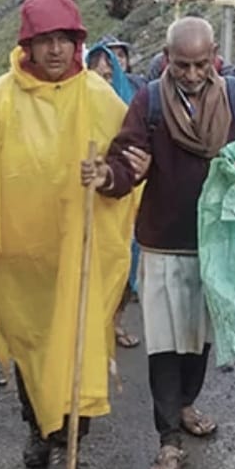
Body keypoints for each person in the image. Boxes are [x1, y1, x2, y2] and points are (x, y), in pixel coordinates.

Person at [0, 0, 137, 469]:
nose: (57, 51)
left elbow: (131, 159)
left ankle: (69, 443)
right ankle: (38, 429)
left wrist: (107, 173)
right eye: (46, 41)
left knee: (76, 346)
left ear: (78, 43)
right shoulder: (1, 97)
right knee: (30, 348)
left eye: (65, 40)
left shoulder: (97, 96)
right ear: (28, 45)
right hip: (19, 257)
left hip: (78, 253)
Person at [82, 17, 235, 469]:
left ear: (214, 60)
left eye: (201, 64)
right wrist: (111, 176)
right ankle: (168, 439)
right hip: (162, 241)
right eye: (181, 64)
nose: (191, 73)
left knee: (198, 337)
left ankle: (185, 404)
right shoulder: (150, 100)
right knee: (164, 342)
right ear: (166, 58)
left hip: (214, 240)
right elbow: (127, 160)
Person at [85, 42, 150, 349]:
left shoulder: (136, 104)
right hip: (93, 206)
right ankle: (93, 325)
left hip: (130, 201)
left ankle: (116, 321)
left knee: (125, 265)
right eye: (97, 75)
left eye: (109, 75)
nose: (104, 81)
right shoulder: (81, 105)